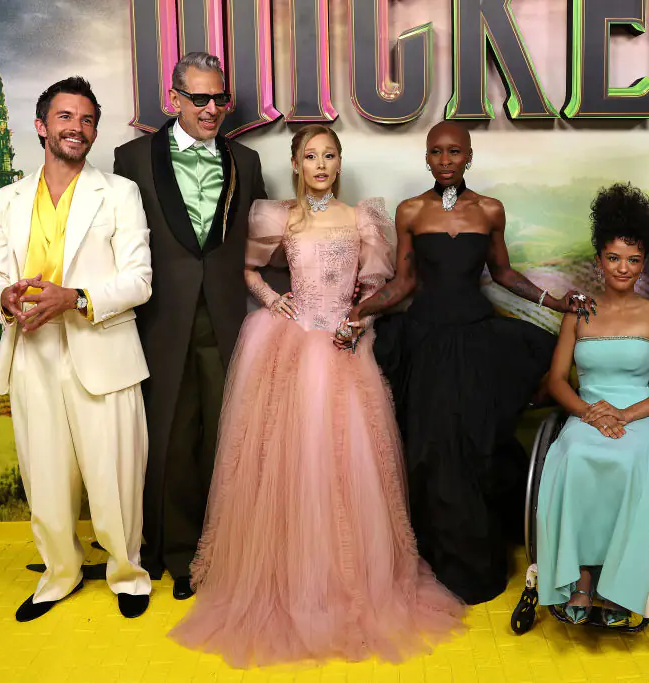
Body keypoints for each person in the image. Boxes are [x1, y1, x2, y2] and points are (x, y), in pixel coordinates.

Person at [169, 125, 465, 667]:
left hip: (344, 347)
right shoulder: (280, 217)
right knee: (292, 467)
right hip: (292, 346)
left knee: (348, 467)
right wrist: (271, 298)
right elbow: (247, 268)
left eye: (329, 155)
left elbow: (378, 284)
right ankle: (294, 581)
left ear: (340, 161)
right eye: (310, 156)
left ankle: (344, 582)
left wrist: (357, 318)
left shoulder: (361, 219)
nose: (321, 165)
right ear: (297, 163)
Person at [347, 121, 595, 605]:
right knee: (429, 450)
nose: (444, 160)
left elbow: (502, 273)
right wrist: (359, 311)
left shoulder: (490, 210)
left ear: (468, 156)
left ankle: (479, 562)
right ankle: (434, 563)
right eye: (435, 152)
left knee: (478, 447)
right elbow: (404, 284)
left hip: (479, 342)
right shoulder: (411, 210)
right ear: (426, 157)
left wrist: (555, 301)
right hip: (426, 343)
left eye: (453, 151)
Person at [0, 76, 153, 621]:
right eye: (66, 117)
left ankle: (127, 574)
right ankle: (60, 574)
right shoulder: (7, 199)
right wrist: (3, 297)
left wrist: (74, 298)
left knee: (115, 475)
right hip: (33, 354)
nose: (77, 128)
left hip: (102, 350)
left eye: (87, 120)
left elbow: (140, 281)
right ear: (40, 126)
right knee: (45, 477)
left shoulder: (119, 192)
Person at [112, 52, 267, 600]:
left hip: (228, 320)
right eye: (197, 98)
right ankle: (177, 555)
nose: (209, 109)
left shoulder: (246, 162)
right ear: (172, 99)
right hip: (161, 321)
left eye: (217, 99)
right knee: (171, 440)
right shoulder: (130, 159)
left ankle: (222, 550)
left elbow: (262, 245)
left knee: (226, 439)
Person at [535, 183, 649, 625]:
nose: (623, 268)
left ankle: (619, 581)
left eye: (633, 259)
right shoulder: (578, 313)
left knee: (629, 457)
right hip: (587, 413)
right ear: (598, 260)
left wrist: (624, 415)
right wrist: (590, 414)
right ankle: (584, 576)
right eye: (613, 258)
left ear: (643, 263)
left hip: (642, 414)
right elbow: (555, 380)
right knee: (576, 453)